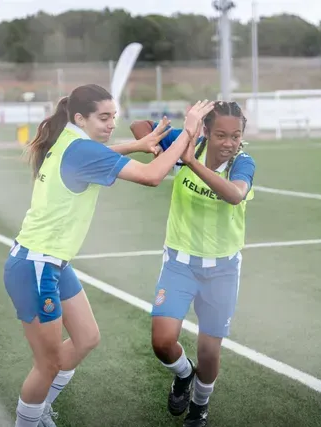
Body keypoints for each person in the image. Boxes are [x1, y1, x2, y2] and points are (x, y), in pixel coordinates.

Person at [3, 83, 215, 427]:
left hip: (51, 262)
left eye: (113, 116)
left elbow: (94, 153)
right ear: (79, 118)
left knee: (87, 338)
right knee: (49, 363)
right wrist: (189, 130)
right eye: (103, 117)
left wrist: (136, 144)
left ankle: (39, 412)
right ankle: (27, 421)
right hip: (35, 265)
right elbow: (151, 176)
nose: (111, 123)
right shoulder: (82, 150)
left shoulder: (69, 142)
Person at [130, 101, 256, 427]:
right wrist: (168, 150)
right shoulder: (191, 142)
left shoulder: (242, 163)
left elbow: (235, 195)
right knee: (162, 342)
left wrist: (188, 164)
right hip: (179, 263)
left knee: (209, 352)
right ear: (207, 132)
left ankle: (200, 406)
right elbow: (139, 127)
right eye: (221, 135)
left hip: (222, 271)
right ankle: (184, 375)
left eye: (236, 135)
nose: (229, 142)